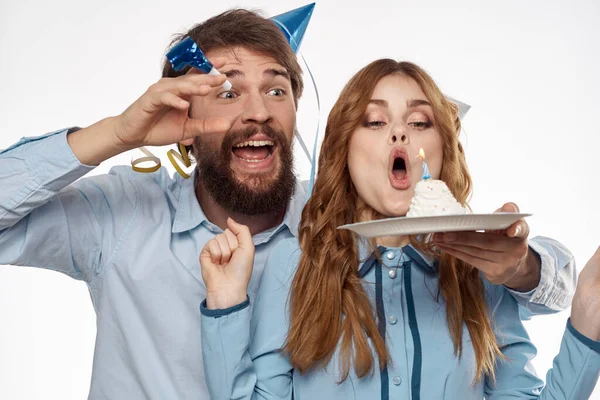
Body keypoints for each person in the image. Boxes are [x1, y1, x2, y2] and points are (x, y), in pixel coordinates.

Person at [0, 7, 575, 400]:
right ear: (183, 118)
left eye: (276, 89)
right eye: (226, 91)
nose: (257, 111)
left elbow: (483, 260)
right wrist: (118, 133)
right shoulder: (119, 215)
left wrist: (526, 268)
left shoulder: (339, 225)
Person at [199, 59, 599, 399]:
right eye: (374, 121)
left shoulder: (479, 271)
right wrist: (225, 304)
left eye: (419, 121)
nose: (399, 132)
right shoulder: (296, 263)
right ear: (344, 150)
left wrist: (586, 327)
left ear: (443, 149)